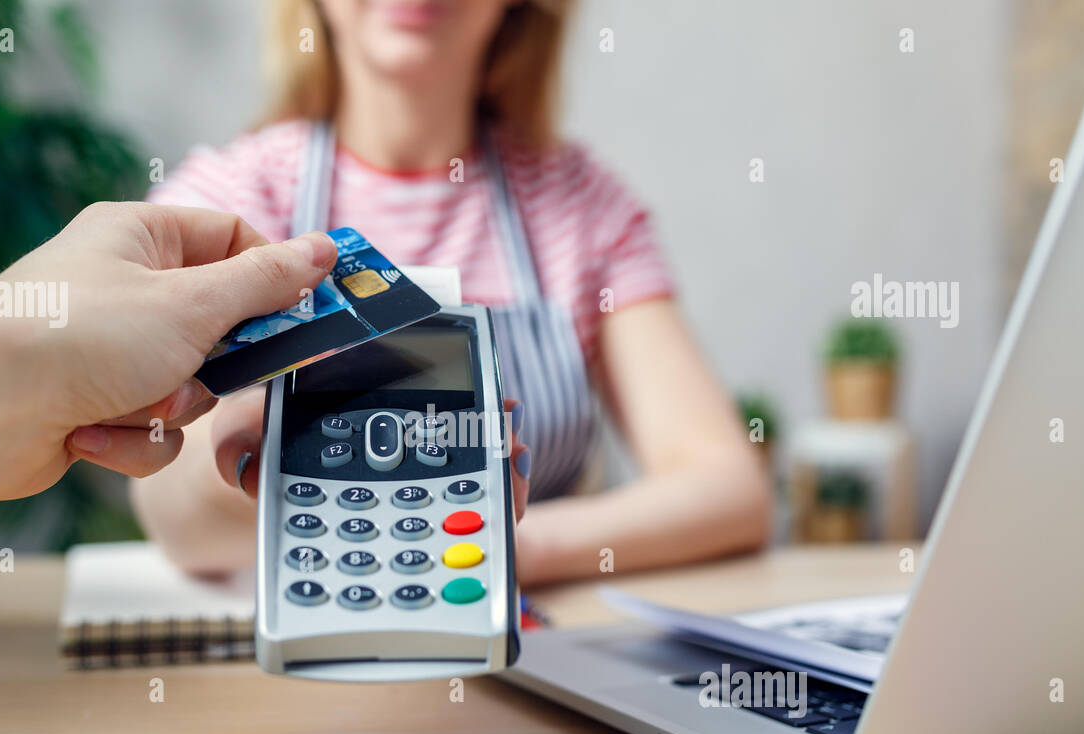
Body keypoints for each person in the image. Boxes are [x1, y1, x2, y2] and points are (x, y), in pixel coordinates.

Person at [131, 0, 772, 586]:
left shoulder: (584, 208)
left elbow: (728, 491)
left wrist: (497, 544)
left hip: (525, 655)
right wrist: (241, 467)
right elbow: (174, 515)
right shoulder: (225, 203)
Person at [0, 202, 528, 576]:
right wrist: (282, 481)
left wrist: (527, 546)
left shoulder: (588, 198)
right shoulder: (231, 185)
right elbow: (161, 486)